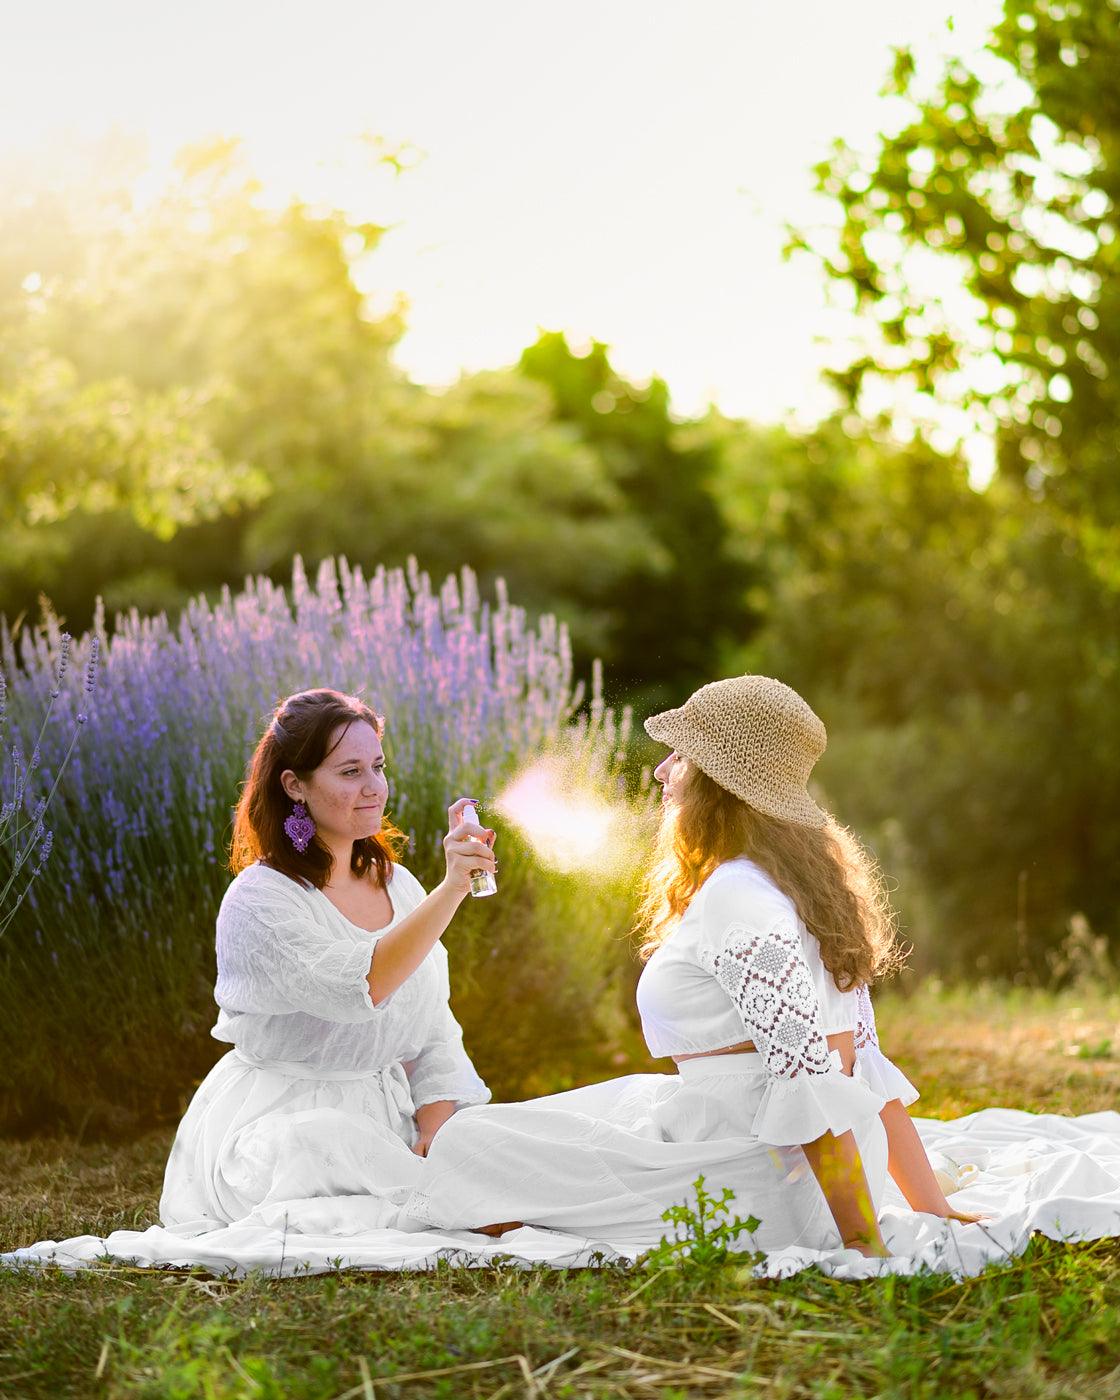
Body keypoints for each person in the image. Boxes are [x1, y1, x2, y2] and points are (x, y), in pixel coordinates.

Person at [402, 675, 983, 1258]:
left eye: (679, 755)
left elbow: (808, 1080)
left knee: (466, 1144)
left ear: (717, 782)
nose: (661, 770)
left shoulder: (740, 895)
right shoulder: (802, 887)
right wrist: (934, 1209)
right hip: (773, 1159)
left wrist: (864, 1243)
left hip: (753, 1179)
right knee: (539, 1124)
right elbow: (865, 1070)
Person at [159, 687, 498, 1233]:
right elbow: (361, 985)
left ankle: (446, 1190)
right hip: (282, 1129)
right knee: (330, 1141)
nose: (373, 788)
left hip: (387, 1120)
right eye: (349, 772)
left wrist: (435, 1127)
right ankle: (453, 1201)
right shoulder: (261, 900)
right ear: (295, 784)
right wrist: (454, 888)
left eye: (378, 766)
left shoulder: (402, 887)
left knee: (493, 1142)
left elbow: (434, 1024)